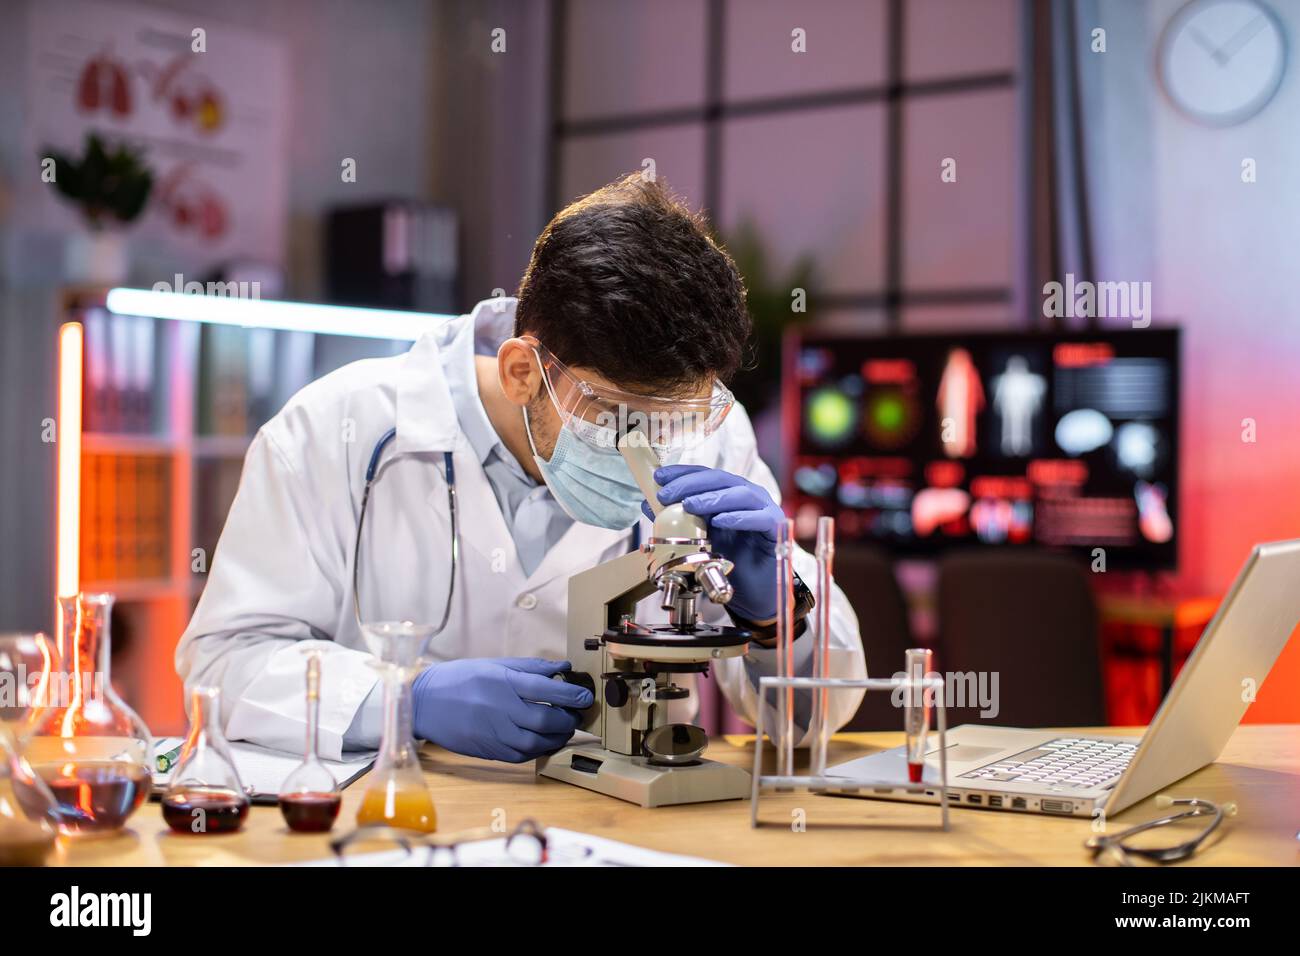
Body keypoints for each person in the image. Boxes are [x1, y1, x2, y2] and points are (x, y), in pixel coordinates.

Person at [176, 174, 867, 762]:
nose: (650, 445)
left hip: (621, 836)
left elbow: (811, 722)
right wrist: (404, 700)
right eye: (619, 415)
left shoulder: (710, 442)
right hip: (394, 831)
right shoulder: (334, 431)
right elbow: (223, 669)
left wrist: (779, 614)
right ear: (522, 372)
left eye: (677, 417)